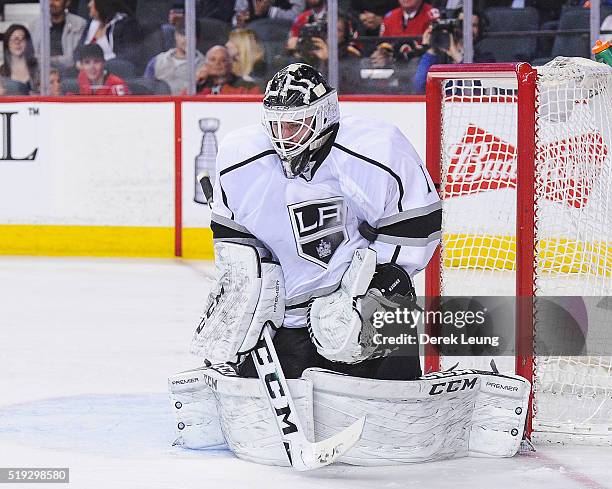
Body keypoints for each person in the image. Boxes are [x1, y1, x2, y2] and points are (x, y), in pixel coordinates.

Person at [194, 62, 440, 381]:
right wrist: (249, 291)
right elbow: (235, 239)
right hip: (287, 319)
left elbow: (418, 227)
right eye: (277, 125)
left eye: (295, 125)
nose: (284, 137)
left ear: (323, 115)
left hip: (357, 307)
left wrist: (367, 288)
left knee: (389, 305)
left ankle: (398, 390)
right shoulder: (240, 156)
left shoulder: (375, 150)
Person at [144, 19, 205, 95]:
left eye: (191, 36)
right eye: (183, 34)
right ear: (176, 35)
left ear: (198, 39)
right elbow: (145, 89)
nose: (186, 39)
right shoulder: (157, 61)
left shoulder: (204, 65)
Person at [78, 0, 141, 65]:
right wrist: (78, 62)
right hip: (86, 70)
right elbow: (78, 50)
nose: (89, 4)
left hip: (112, 70)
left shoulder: (126, 25)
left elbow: (130, 55)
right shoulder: (91, 24)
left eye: (92, 0)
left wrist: (103, 65)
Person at [31, 0, 87, 71]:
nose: (52, 3)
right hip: (42, 74)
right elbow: (33, 58)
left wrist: (45, 59)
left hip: (70, 75)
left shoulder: (79, 24)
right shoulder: (35, 25)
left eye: (56, 0)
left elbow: (72, 59)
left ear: (67, 2)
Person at [196, 45, 261, 94]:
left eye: (223, 60)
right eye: (213, 59)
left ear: (230, 65)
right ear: (205, 64)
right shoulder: (198, 86)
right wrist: (196, 83)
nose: (217, 63)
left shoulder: (248, 86)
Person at [0, 24, 40, 94]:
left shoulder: (40, 67)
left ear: (28, 43)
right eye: (14, 39)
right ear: (7, 43)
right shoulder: (1, 73)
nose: (17, 43)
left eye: (22, 39)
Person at [233, 0, 305, 28]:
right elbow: (236, 17)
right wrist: (239, 21)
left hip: (280, 36)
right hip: (253, 36)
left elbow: (298, 17)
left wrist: (269, 11)